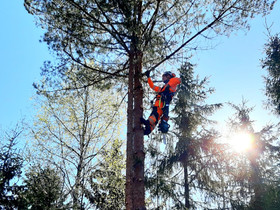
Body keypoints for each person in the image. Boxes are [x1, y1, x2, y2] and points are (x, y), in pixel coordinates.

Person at [141, 70, 181, 135]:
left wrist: (181, 79)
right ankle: (149, 129)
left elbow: (178, 80)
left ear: (168, 76)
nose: (162, 78)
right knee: (155, 116)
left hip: (162, 104)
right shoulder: (162, 88)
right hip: (158, 104)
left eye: (164, 76)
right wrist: (148, 77)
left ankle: (148, 123)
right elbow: (152, 86)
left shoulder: (172, 81)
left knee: (155, 115)